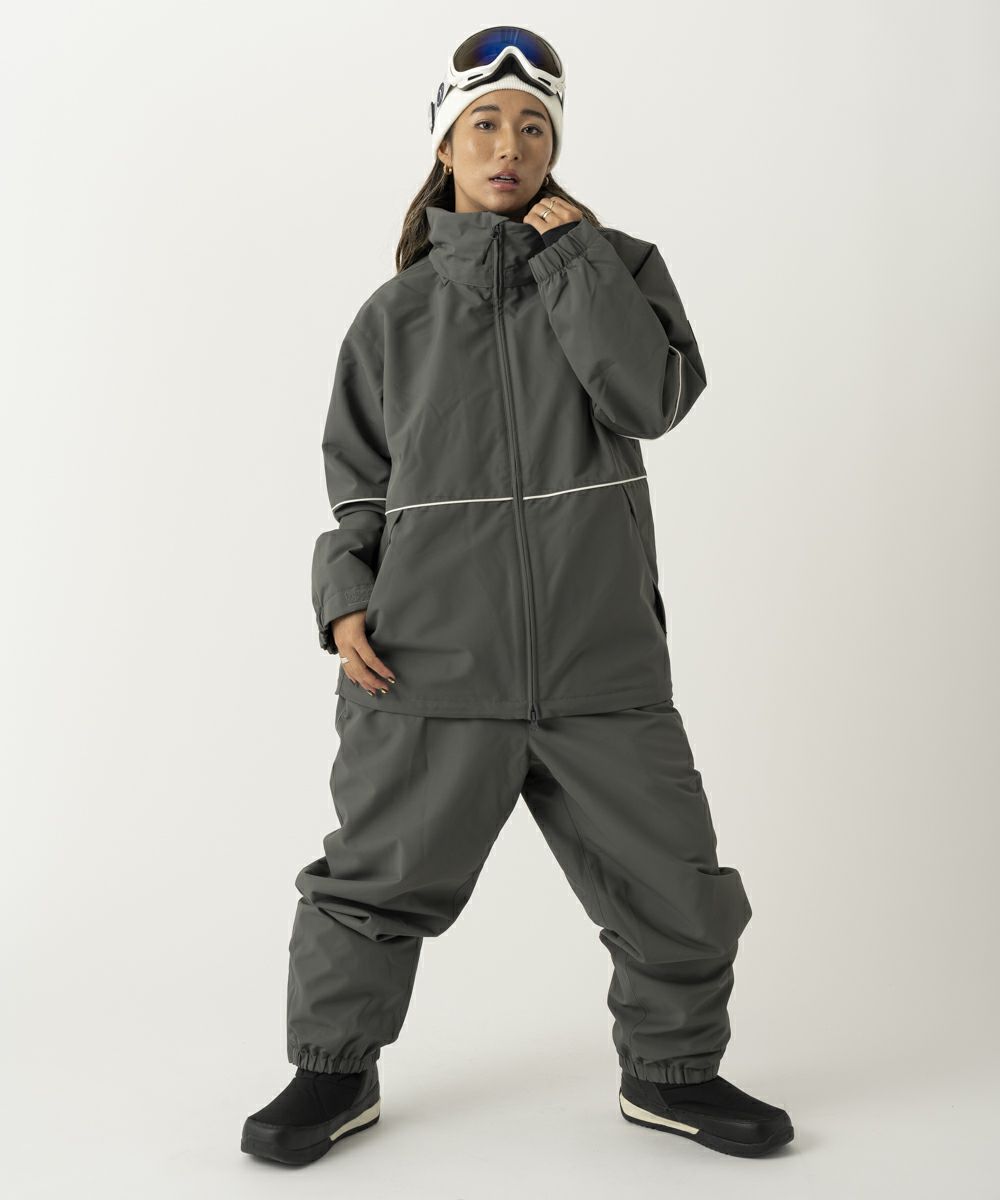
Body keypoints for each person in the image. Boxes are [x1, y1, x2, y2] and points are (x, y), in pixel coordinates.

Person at [241, 26, 794, 1166]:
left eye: (534, 127)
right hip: (430, 663)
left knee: (676, 886)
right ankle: (332, 1075)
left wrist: (574, 256)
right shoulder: (392, 318)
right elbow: (358, 489)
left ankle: (674, 1074)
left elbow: (648, 399)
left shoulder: (617, 267)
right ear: (445, 145)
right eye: (484, 124)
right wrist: (343, 596)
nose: (509, 146)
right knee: (372, 884)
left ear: (556, 148)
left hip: (600, 663)